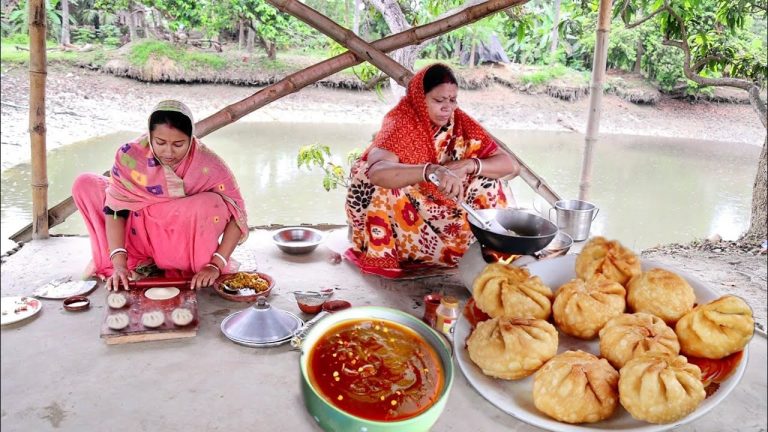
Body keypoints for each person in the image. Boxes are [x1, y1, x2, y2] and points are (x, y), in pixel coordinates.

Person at [345, 63, 520, 277]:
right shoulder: (401, 121)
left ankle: (478, 247)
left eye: (453, 100)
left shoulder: (459, 121)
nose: (447, 108)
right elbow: (377, 172)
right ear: (421, 98)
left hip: (449, 206)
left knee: (488, 179)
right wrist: (430, 171)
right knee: (380, 185)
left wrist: (470, 164)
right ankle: (393, 252)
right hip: (407, 212)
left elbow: (510, 165)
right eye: (439, 101)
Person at [72, 100, 248, 291]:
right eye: (160, 142)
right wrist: (119, 265)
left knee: (212, 203)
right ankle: (133, 263)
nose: (169, 152)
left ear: (191, 139)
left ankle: (174, 264)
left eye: (179, 144)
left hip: (173, 237)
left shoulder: (208, 165)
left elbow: (237, 215)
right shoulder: (130, 156)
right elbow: (115, 209)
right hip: (135, 229)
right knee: (86, 184)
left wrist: (216, 264)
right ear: (150, 135)